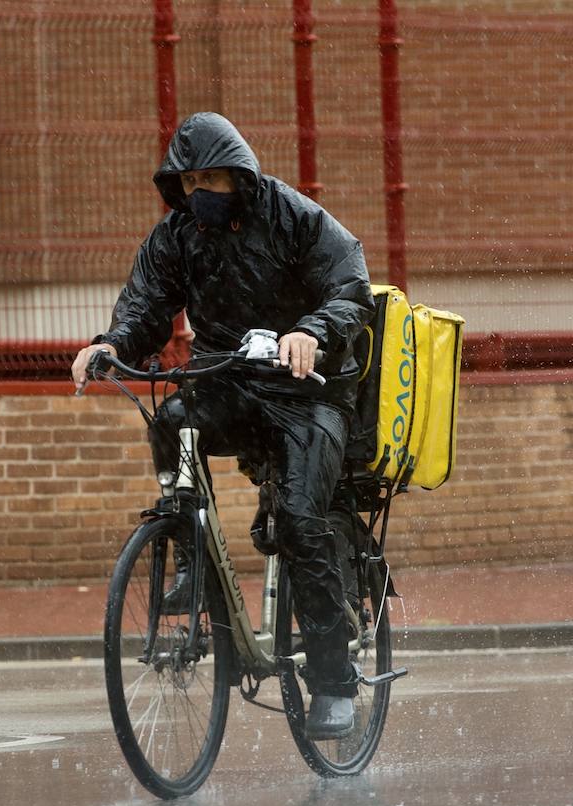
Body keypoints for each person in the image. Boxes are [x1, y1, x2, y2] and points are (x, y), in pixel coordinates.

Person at [70, 112, 375, 739]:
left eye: (212, 178)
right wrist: (110, 343)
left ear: (240, 173)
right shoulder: (176, 235)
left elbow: (351, 286)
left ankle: (334, 680)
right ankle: (188, 555)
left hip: (309, 393)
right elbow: (146, 306)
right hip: (230, 383)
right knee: (172, 417)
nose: (199, 192)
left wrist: (309, 333)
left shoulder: (294, 216)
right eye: (188, 182)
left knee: (299, 519)